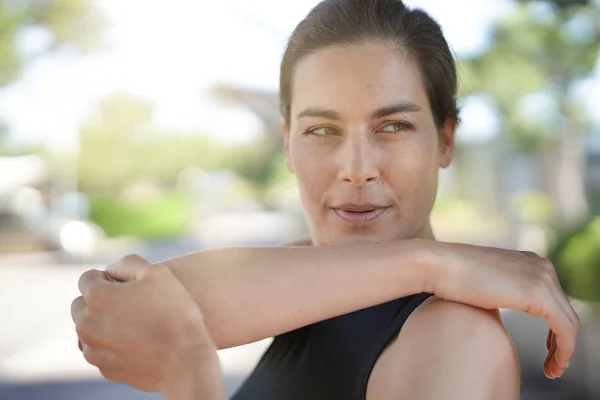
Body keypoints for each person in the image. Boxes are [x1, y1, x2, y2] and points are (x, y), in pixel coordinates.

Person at [71, 0, 580, 399]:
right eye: (321, 130)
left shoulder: (457, 341)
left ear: (445, 142)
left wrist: (190, 373)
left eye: (394, 125)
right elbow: (118, 305)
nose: (357, 168)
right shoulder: (311, 277)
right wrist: (434, 262)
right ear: (288, 143)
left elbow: (163, 325)